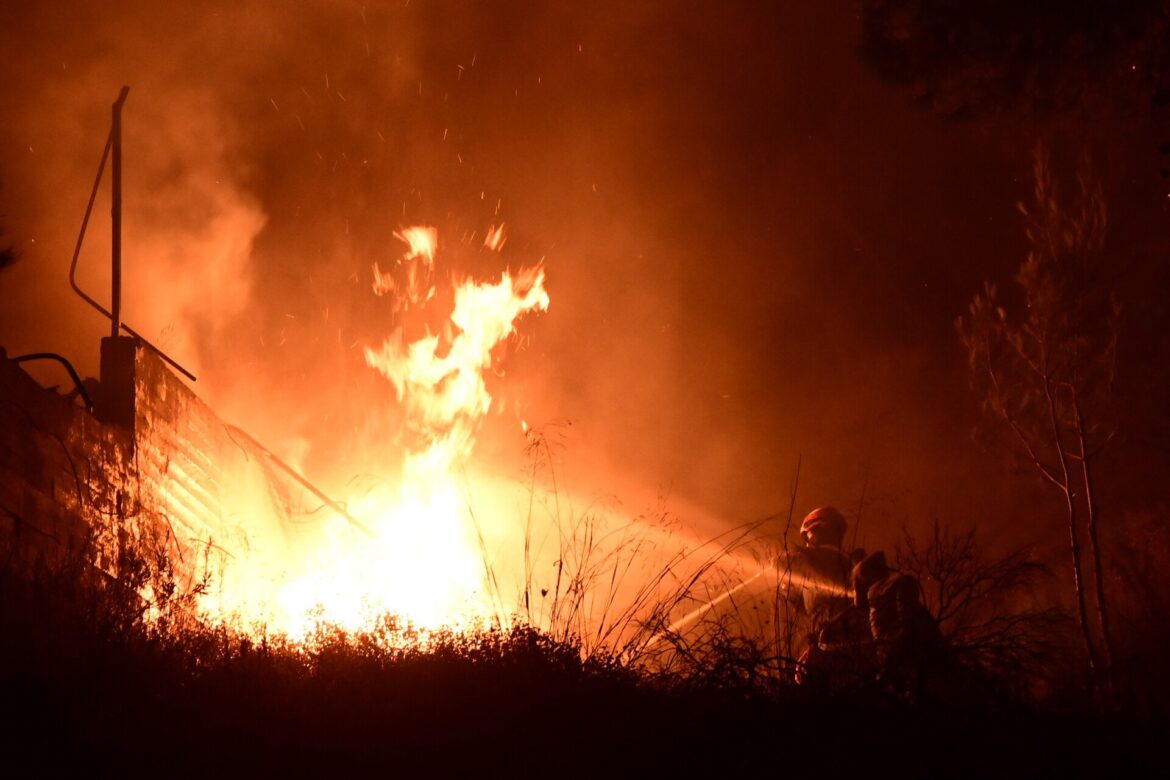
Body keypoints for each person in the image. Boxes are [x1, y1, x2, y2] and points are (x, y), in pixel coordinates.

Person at [851, 550, 944, 699]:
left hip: (918, 666)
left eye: (858, 581)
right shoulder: (879, 600)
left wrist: (892, 661)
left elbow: (908, 629)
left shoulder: (897, 586)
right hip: (908, 665)